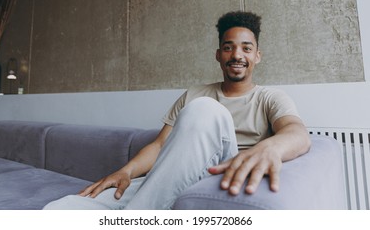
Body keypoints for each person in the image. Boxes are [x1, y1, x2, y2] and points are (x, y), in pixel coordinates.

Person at [44, 11, 311, 210]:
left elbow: (298, 134)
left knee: (206, 110)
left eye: (246, 48)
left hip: (215, 177)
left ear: (257, 56)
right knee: (63, 210)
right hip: (170, 174)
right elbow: (160, 146)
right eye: (228, 48)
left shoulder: (269, 97)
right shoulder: (194, 93)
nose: (237, 55)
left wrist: (271, 148)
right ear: (218, 55)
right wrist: (126, 172)